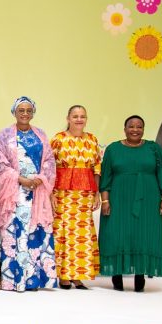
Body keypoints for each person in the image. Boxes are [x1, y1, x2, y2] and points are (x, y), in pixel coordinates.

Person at [100, 115, 162, 291]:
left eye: (139, 127)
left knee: (143, 236)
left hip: (148, 200)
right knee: (117, 235)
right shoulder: (113, 149)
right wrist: (105, 200)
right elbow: (106, 176)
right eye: (131, 126)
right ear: (124, 129)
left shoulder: (153, 149)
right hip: (119, 199)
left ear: (143, 129)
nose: (135, 130)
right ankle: (116, 275)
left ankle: (140, 275)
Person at [0, 96, 57, 292]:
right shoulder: (5, 135)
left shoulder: (41, 135)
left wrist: (40, 178)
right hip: (14, 193)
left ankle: (33, 280)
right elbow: (0, 164)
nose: (25, 114)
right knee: (14, 235)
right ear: (14, 112)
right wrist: (20, 179)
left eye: (29, 110)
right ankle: (12, 281)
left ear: (33, 113)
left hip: (37, 193)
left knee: (34, 233)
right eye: (21, 110)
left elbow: (49, 161)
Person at [50, 105, 101, 289]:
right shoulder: (58, 139)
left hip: (85, 194)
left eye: (82, 116)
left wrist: (97, 193)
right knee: (62, 232)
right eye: (75, 116)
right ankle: (63, 275)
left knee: (82, 234)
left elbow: (97, 168)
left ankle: (78, 275)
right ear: (68, 118)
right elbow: (49, 168)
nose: (79, 119)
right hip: (62, 193)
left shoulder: (92, 139)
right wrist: (50, 193)